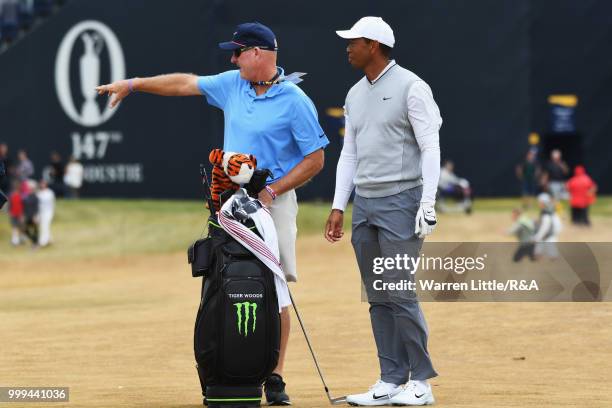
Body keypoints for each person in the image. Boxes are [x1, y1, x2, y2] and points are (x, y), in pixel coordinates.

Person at [96, 22, 328, 405]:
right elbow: (185, 83)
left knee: (276, 291)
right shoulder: (232, 83)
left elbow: (316, 159)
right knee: (223, 279)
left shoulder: (295, 100)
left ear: (256, 54)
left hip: (273, 201)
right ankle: (230, 367)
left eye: (237, 52)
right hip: (228, 202)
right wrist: (134, 84)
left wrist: (272, 190)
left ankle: (274, 375)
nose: (232, 59)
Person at [325, 17, 441, 406]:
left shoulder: (412, 86)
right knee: (378, 295)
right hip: (366, 205)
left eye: (353, 41)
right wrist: (340, 204)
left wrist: (427, 203)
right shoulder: (355, 94)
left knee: (399, 291)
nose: (347, 46)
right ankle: (391, 379)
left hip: (402, 200)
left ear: (373, 45)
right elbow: (350, 153)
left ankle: (421, 382)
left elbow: (430, 147)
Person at [533, 193, 562, 260]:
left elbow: (545, 227)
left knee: (544, 242)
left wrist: (537, 237)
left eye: (540, 202)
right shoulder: (549, 210)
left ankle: (541, 255)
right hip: (552, 231)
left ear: (543, 202)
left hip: (550, 232)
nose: (538, 204)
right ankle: (541, 254)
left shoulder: (546, 213)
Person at [36, 179, 56, 247]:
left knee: (45, 226)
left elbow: (52, 203)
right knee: (43, 225)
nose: (42, 185)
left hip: (48, 212)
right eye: (41, 184)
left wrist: (53, 212)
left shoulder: (50, 193)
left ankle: (43, 242)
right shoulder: (38, 193)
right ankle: (50, 239)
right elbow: (37, 205)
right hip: (41, 212)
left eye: (43, 183)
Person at [8, 180, 24, 246]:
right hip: (17, 214)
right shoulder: (20, 196)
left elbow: (10, 206)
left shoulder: (13, 195)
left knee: (15, 227)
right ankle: (17, 240)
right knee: (18, 227)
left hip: (15, 214)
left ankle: (16, 240)